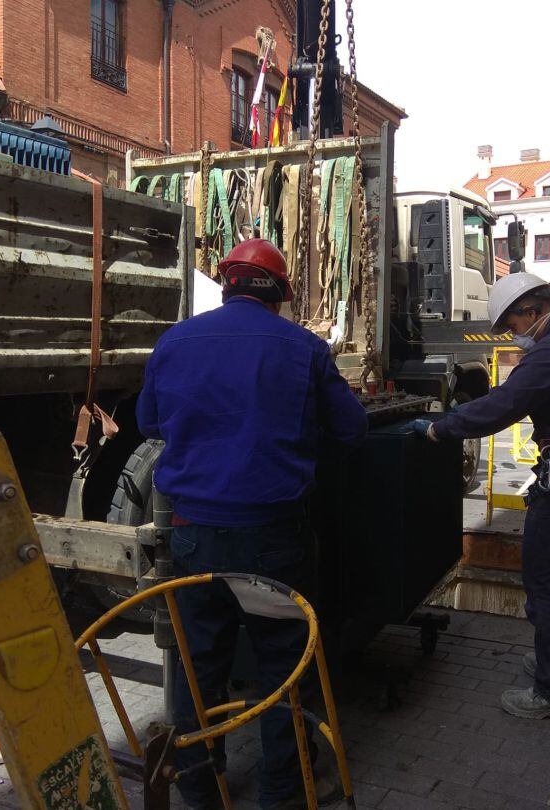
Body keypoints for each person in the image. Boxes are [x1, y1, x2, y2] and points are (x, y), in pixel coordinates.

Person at [136, 238, 367, 809]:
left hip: (192, 536)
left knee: (198, 667)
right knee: (284, 666)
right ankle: (284, 792)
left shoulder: (175, 341)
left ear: (227, 284)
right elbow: (352, 429)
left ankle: (200, 788)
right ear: (281, 293)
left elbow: (148, 422)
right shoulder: (304, 348)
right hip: (272, 541)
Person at [416, 272, 550, 721]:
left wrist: (441, 427)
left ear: (531, 311)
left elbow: (502, 405)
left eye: (512, 326)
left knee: (547, 584)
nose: (513, 336)